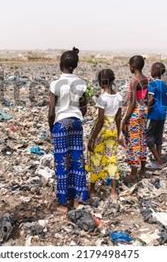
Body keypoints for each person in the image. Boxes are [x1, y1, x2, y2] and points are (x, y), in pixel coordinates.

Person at [48, 47, 88, 213]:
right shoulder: (81, 83)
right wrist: (77, 115)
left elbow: (51, 111)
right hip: (77, 123)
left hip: (61, 124)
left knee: (62, 162)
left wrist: (52, 128)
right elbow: (84, 106)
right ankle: (78, 199)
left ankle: (64, 203)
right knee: (77, 159)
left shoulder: (56, 84)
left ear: (60, 64)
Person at [86, 69, 122, 200]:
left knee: (96, 158)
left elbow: (100, 120)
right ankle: (113, 191)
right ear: (112, 81)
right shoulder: (118, 97)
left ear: (101, 82)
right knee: (112, 158)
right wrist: (118, 134)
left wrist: (92, 138)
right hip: (113, 129)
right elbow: (118, 118)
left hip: (102, 130)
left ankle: (92, 189)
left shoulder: (102, 98)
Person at [121, 55, 148, 184]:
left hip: (135, 113)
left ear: (132, 67)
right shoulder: (145, 79)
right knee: (142, 139)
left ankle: (133, 174)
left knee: (133, 142)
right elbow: (145, 98)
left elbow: (132, 103)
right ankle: (143, 169)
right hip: (144, 111)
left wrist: (125, 119)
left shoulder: (134, 81)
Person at [146, 62, 167, 168]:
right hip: (162, 114)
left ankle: (159, 161)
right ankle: (158, 157)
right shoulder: (164, 85)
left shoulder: (152, 84)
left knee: (148, 137)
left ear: (154, 71)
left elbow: (150, 100)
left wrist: (145, 108)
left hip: (153, 114)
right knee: (158, 137)